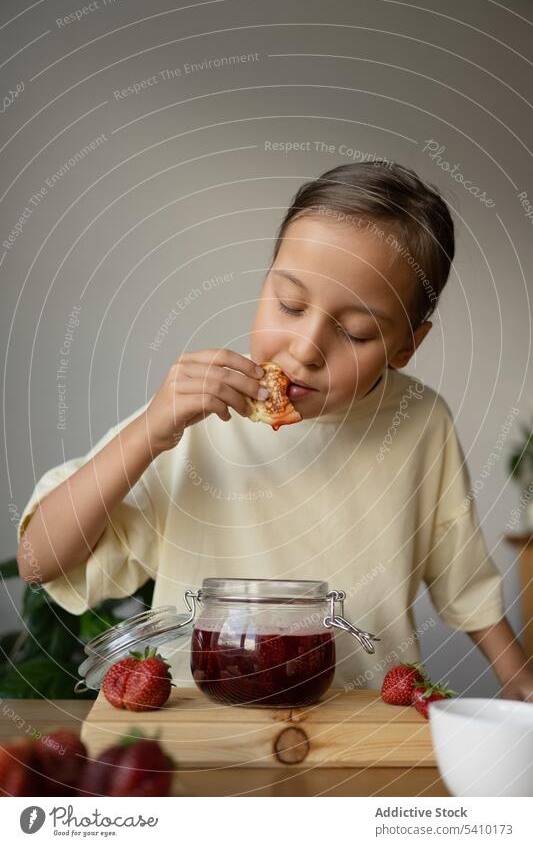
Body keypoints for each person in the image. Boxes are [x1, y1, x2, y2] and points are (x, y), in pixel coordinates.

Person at [16, 162, 533, 698]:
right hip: (203, 723)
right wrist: (151, 429)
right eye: (288, 304)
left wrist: (520, 684)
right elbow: (38, 560)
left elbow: (465, 581)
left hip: (362, 730)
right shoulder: (195, 415)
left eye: (356, 333)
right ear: (266, 283)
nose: (306, 349)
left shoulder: (423, 422)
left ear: (407, 345)